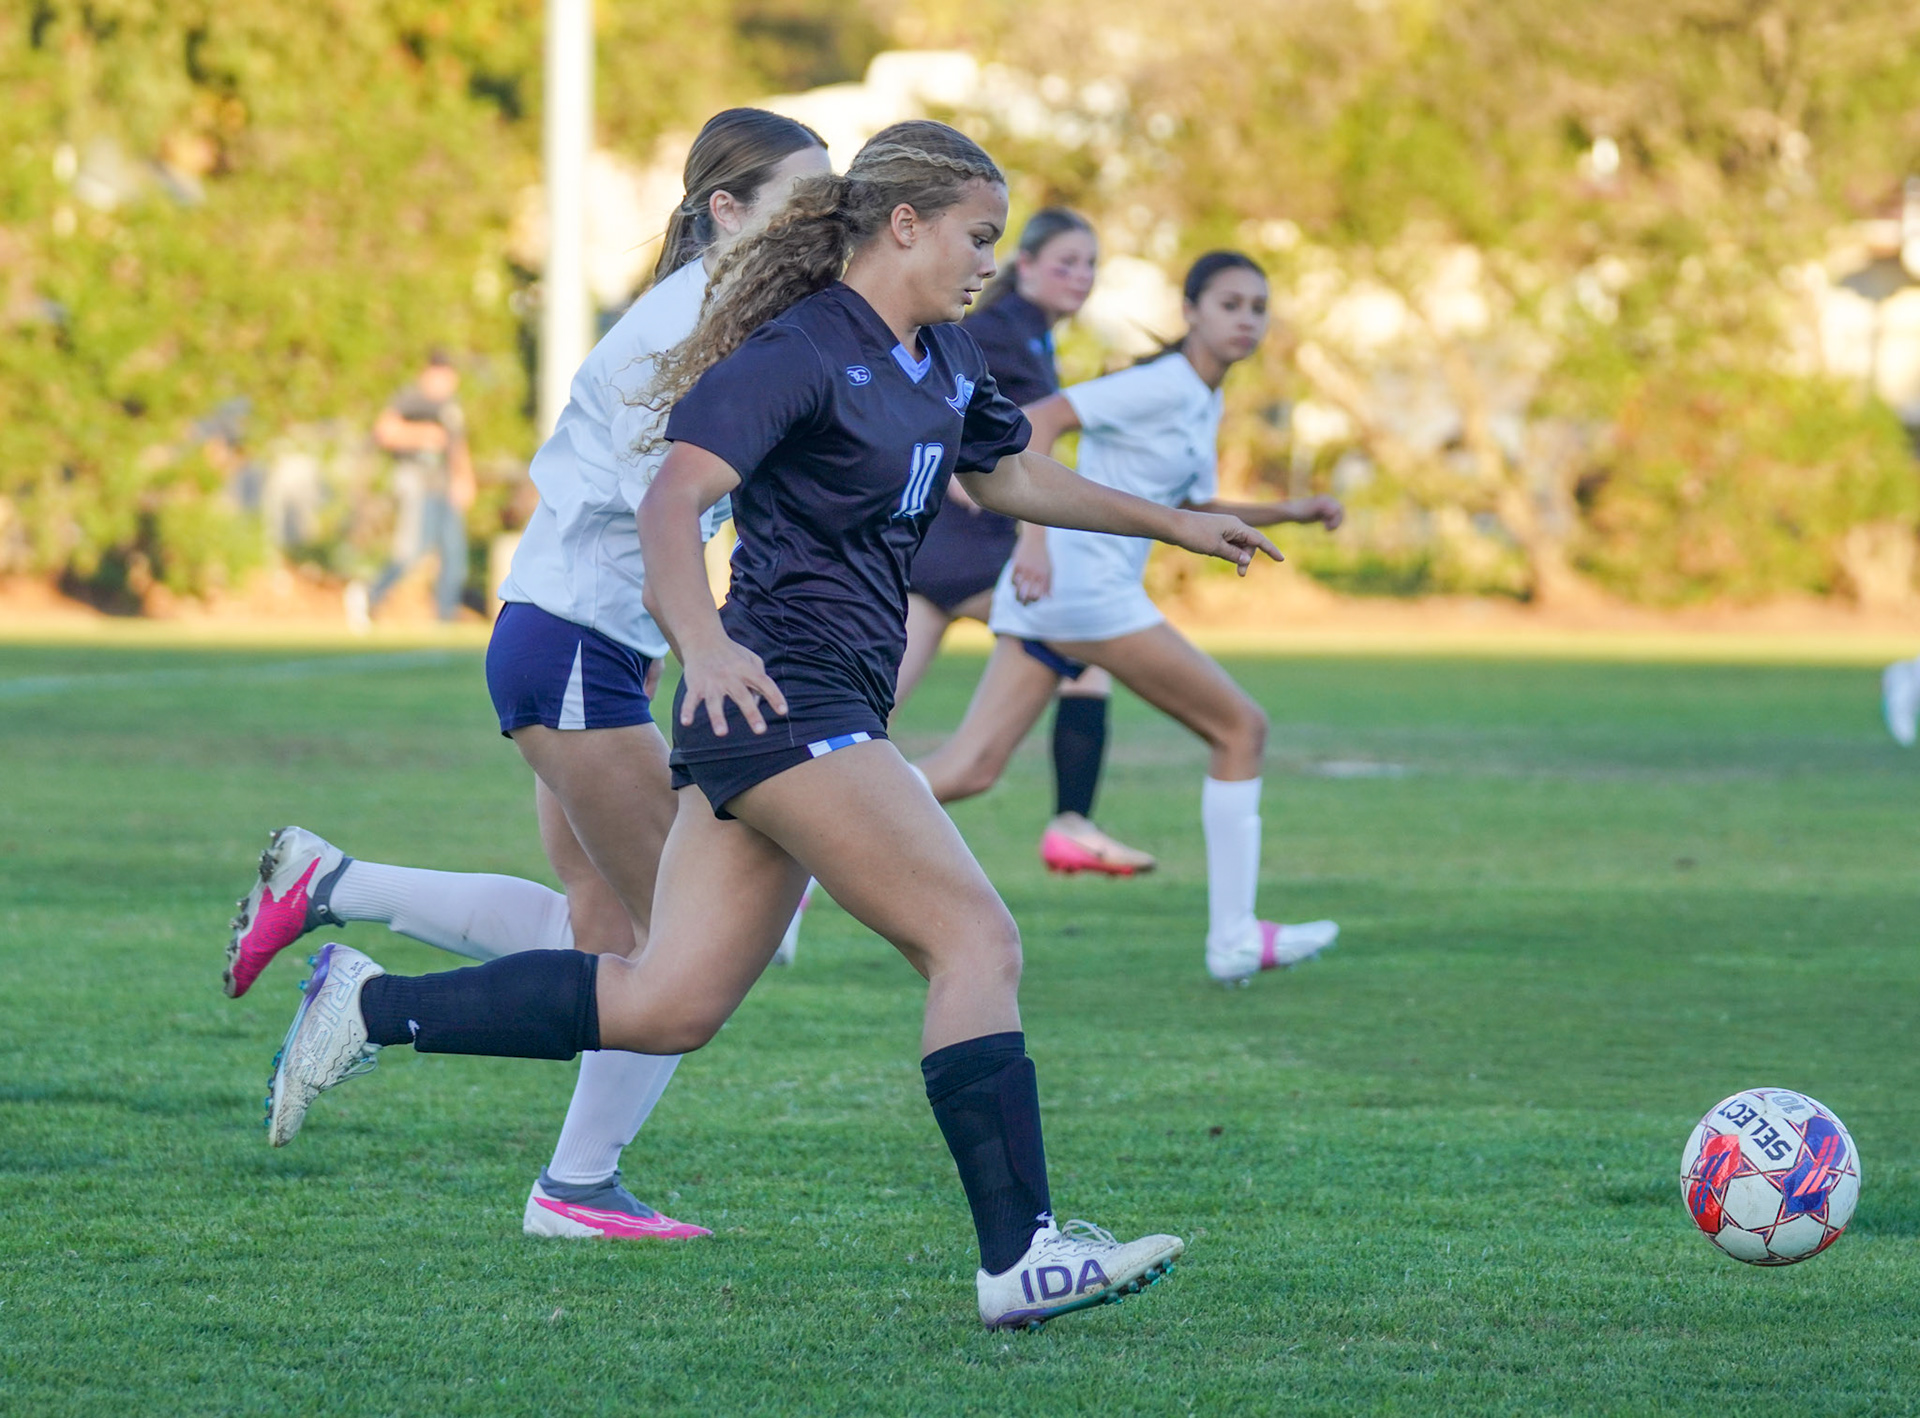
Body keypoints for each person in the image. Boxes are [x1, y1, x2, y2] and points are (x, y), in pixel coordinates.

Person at [257, 120, 1286, 1329]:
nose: (988, 263)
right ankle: (1023, 1254)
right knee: (975, 939)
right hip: (789, 701)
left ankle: (368, 1006)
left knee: (669, 1002)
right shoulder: (799, 348)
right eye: (977, 237)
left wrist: (1175, 523)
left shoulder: (944, 356)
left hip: (804, 708)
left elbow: (1007, 476)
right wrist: (703, 643)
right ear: (903, 223)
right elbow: (672, 502)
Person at [225, 108, 831, 1242]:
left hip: (572, 647)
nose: (824, 218)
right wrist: (714, 646)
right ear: (727, 210)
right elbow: (664, 518)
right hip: (575, 651)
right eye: (804, 198)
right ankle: (566, 1179)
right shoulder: (685, 328)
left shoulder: (720, 316)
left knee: (599, 936)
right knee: (678, 951)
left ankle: (333, 884)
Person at [914, 251, 1346, 986]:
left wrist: (1291, 511)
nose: (1246, 320)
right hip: (1085, 592)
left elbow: (1193, 506)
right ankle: (1235, 938)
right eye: (1230, 305)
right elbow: (1037, 423)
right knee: (1241, 729)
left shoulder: (1202, 396)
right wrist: (1033, 541)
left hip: (1064, 596)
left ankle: (807, 850)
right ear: (1191, 311)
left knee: (971, 768)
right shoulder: (1162, 383)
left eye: (1258, 308)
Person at [900, 208, 1152, 877]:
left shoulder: (1030, 335)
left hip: (936, 550)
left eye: (1090, 265)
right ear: (1028, 266)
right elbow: (980, 429)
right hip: (968, 545)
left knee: (863, 716)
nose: (1081, 276)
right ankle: (1071, 824)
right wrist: (1031, 542)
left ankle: (800, 837)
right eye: (1066, 262)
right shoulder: (998, 330)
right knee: (1081, 643)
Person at [367, 351, 474, 622]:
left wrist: (464, 478)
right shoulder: (412, 399)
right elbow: (384, 431)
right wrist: (423, 435)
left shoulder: (451, 407)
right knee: (412, 551)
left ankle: (445, 618)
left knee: (454, 557)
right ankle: (371, 594)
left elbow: (457, 446)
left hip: (445, 487)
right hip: (418, 486)